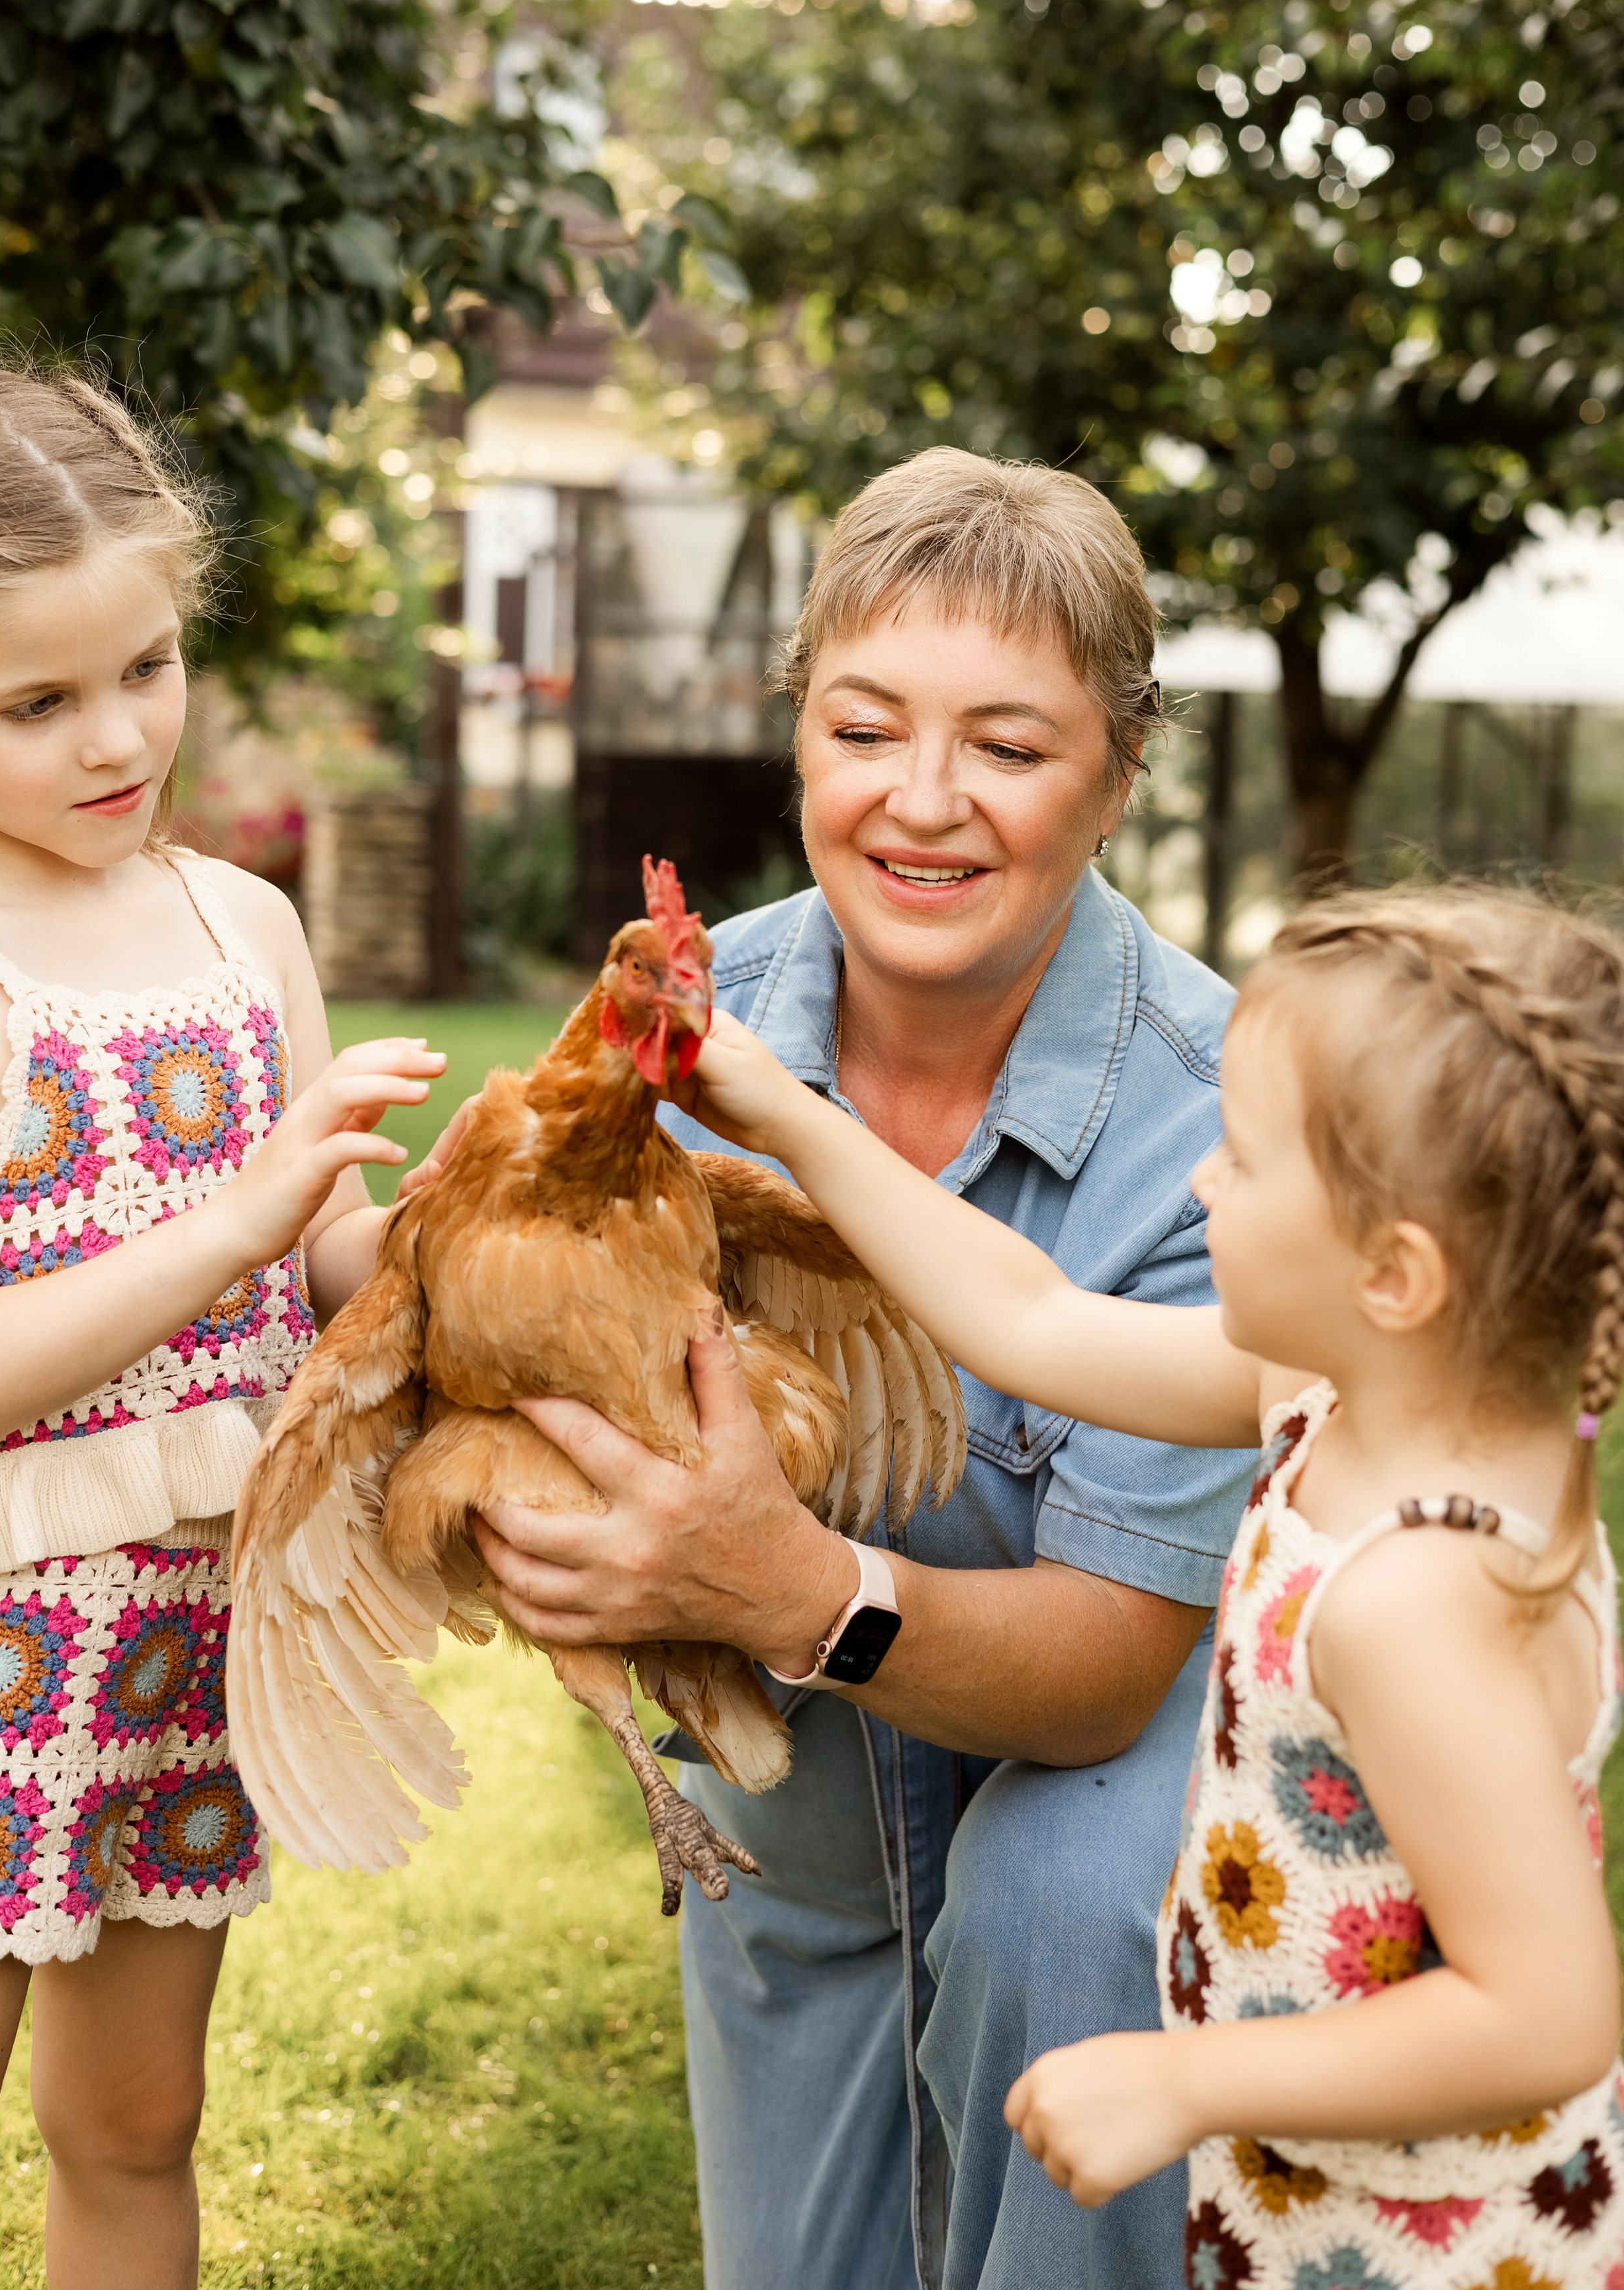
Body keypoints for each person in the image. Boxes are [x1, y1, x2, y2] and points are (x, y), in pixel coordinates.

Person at [467, 448, 1260, 2289]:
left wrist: (794, 1588)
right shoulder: (677, 1015)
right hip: (805, 1831)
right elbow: (459, 1281)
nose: (923, 803)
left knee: (1054, 1901)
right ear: (799, 735)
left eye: (1007, 744)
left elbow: (1100, 1676)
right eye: (865, 727)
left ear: (1123, 773)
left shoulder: (1227, 1135)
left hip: (1110, 1797)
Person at [684, 882, 1624, 2288]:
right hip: (1308, 2197)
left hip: (1424, 2244)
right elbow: (1029, 1318)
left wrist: (1191, 2086)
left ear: (1394, 1273)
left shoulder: (1415, 1601)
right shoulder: (1326, 1391)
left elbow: (1545, 2015)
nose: (1197, 1180)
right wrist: (791, 1117)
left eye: (1241, 1161)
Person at [0, 365, 442, 2287]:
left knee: (137, 2124)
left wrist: (470, 1248)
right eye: (35, 702)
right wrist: (236, 1214)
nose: (113, 735)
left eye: (146, 666)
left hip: (191, 1627)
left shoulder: (246, 925)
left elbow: (322, 1265)